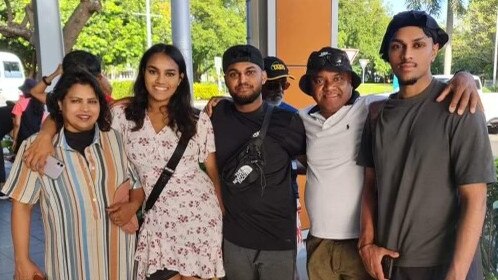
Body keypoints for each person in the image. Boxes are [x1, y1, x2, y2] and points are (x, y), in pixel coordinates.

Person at [23, 44, 225, 280]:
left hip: (198, 218)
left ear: (180, 79)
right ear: (143, 74)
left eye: (170, 73)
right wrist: (46, 135)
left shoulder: (196, 119)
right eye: (153, 71)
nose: (161, 80)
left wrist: (221, 210)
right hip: (155, 219)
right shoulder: (122, 115)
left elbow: (211, 169)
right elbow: (76, 116)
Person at [298, 46, 484, 280]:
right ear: (310, 86)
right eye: (319, 80)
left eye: (338, 78)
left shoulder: (372, 107)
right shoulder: (302, 119)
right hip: (319, 240)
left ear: (351, 82)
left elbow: (417, 96)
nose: (329, 87)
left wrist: (463, 76)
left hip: (362, 240)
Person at [357, 10, 496, 280]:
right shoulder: (377, 115)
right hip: (389, 264)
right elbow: (370, 187)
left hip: (445, 265)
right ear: (388, 54)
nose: (407, 54)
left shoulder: (459, 106)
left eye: (418, 45)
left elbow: (475, 199)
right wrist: (366, 244)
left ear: (434, 50)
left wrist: (456, 274)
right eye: (397, 46)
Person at [1, 69, 144, 280]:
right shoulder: (36, 147)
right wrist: (22, 260)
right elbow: (22, 204)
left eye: (92, 101)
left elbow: (135, 184)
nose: (85, 109)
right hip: (70, 266)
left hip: (119, 262)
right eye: (76, 101)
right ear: (60, 104)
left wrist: (132, 205)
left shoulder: (115, 140)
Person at [211, 44, 306, 280]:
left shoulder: (288, 120)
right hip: (234, 239)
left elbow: (315, 163)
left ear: (263, 76)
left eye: (250, 72)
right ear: (226, 79)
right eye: (234, 74)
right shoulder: (216, 115)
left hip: (278, 242)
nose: (242, 80)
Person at [29, 50, 113, 105]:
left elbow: (35, 92)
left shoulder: (61, 100)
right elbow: (109, 89)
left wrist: (55, 73)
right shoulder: (105, 102)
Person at [11, 78, 47, 153]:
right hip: (36, 138)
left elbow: (17, 124)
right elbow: (43, 122)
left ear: (25, 91)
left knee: (21, 161)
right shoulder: (41, 104)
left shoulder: (20, 103)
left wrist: (14, 139)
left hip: (23, 139)